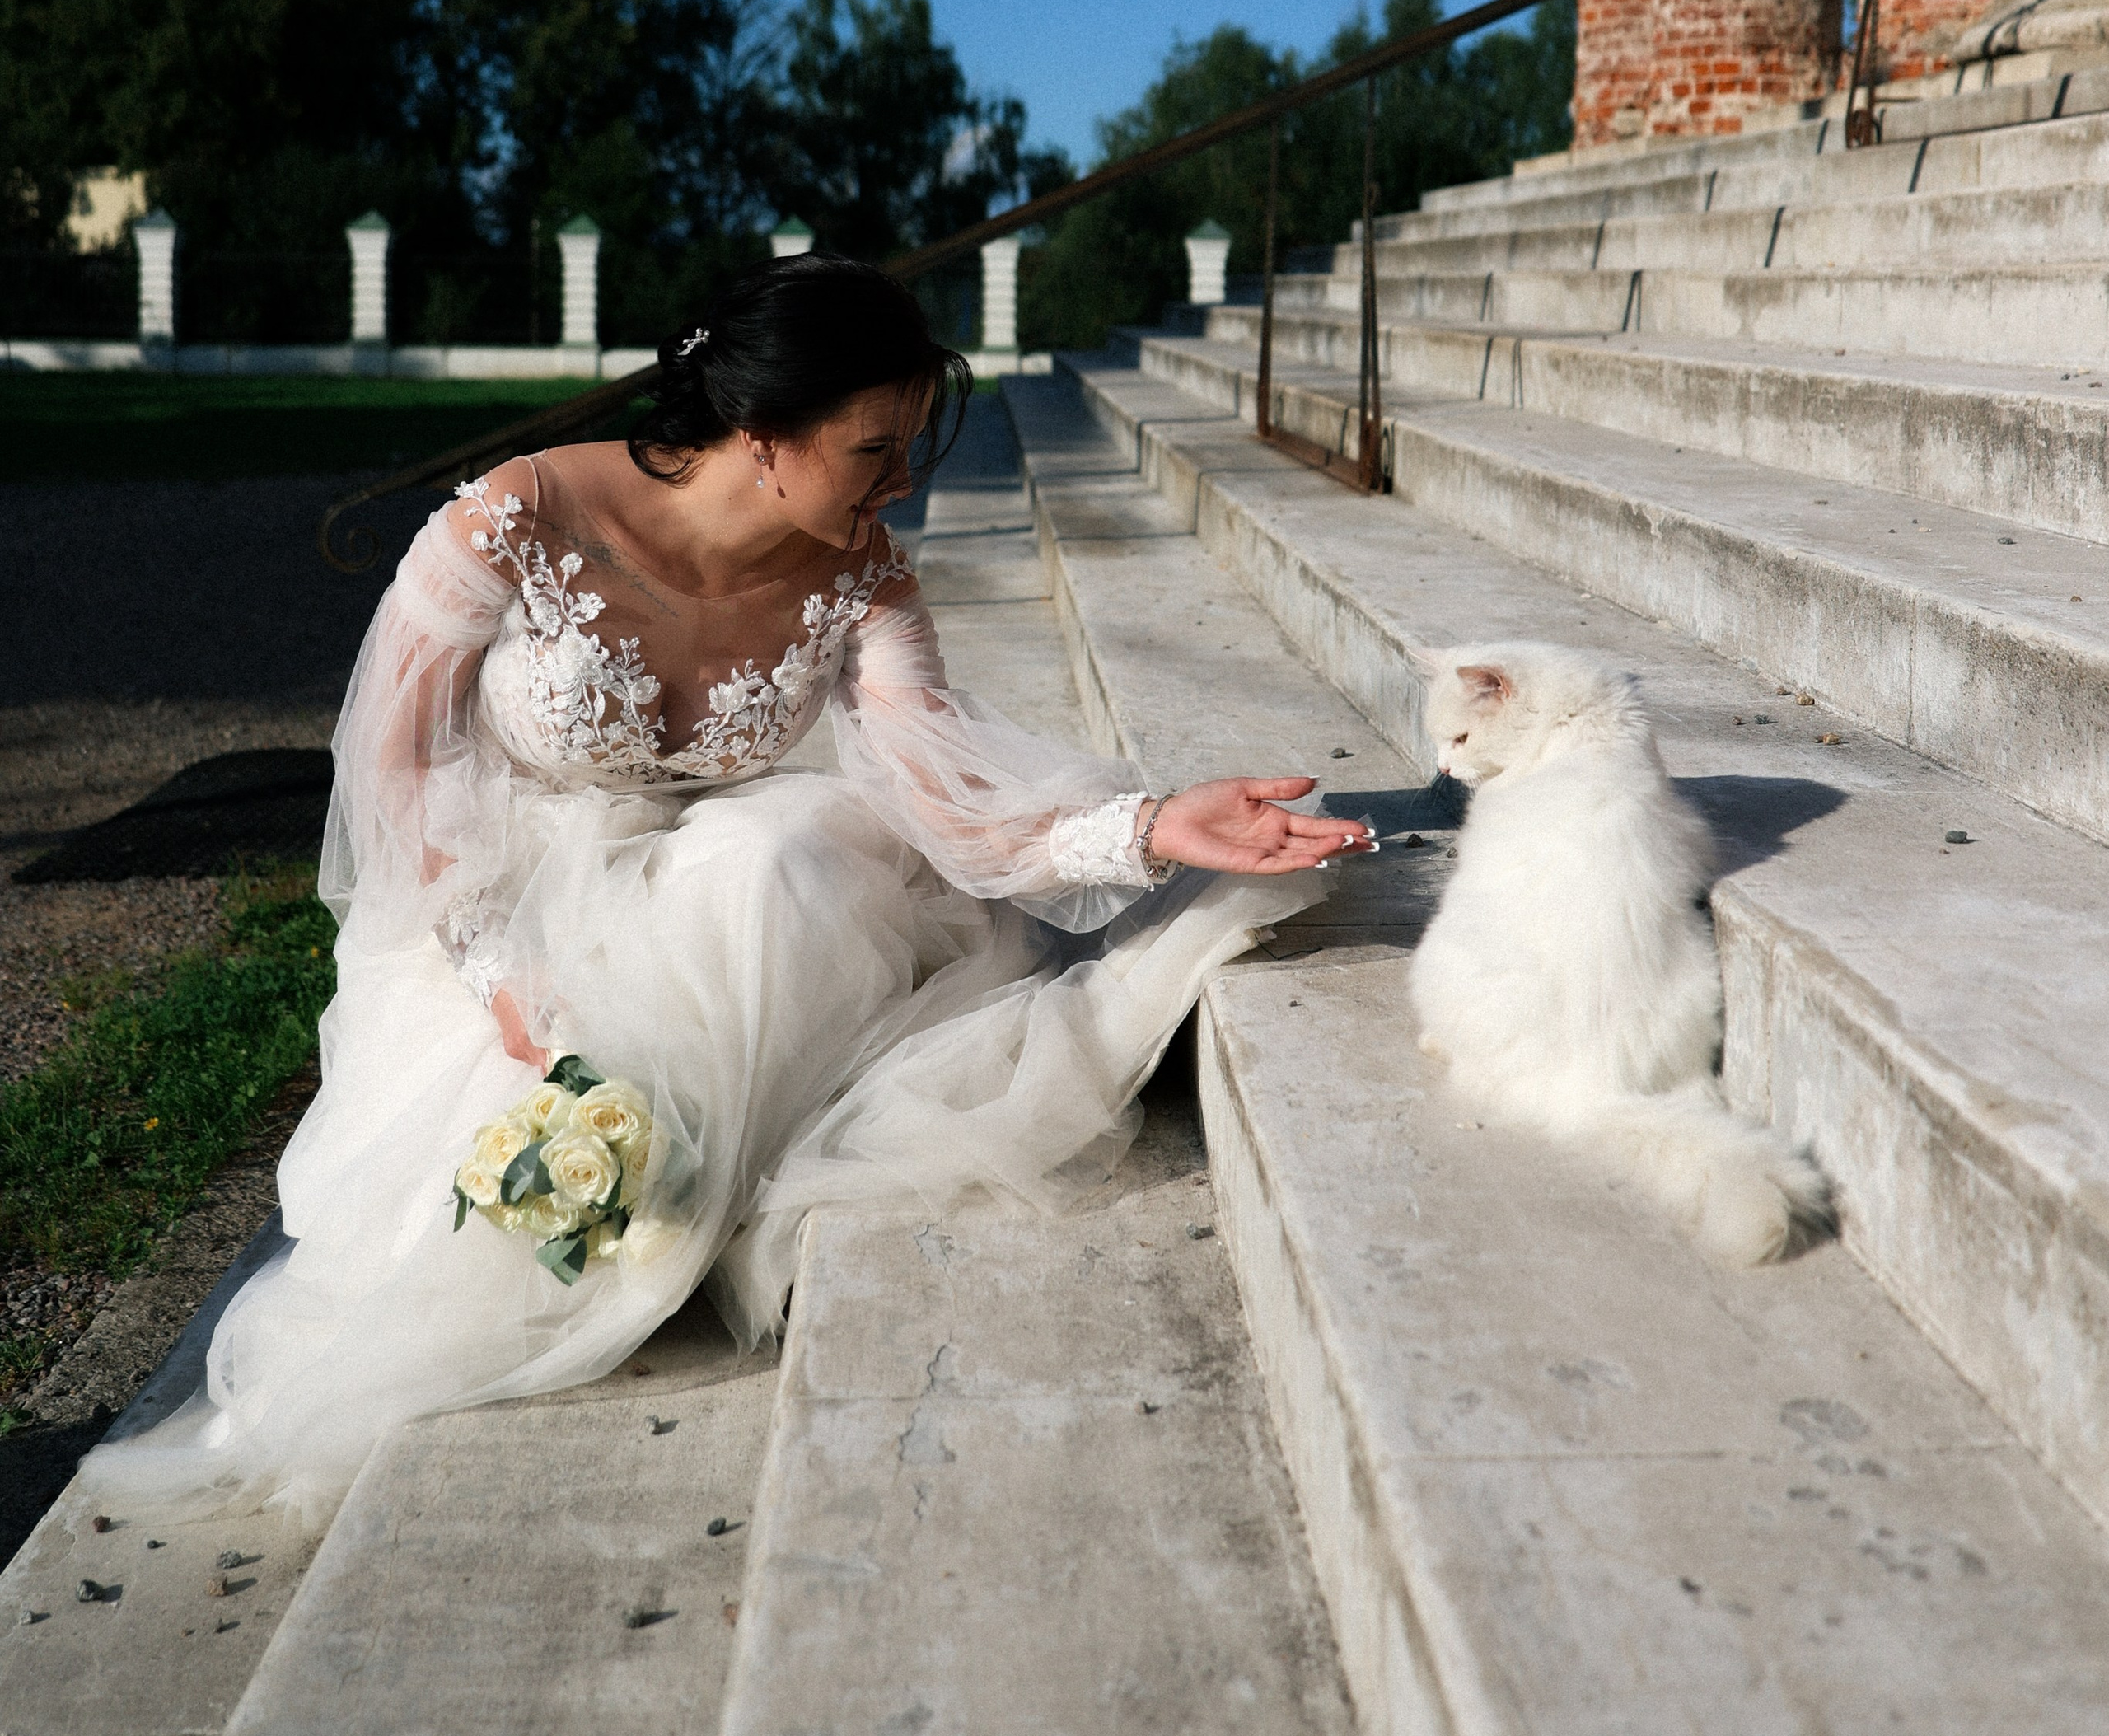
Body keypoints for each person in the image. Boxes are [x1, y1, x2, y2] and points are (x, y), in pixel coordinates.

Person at [85, 255, 1367, 1526]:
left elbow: (943, 791)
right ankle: (660, 1185)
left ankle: (704, 1177)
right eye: (877, 448)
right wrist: (499, 972)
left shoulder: (863, 577)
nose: (905, 481)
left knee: (780, 854)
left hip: (708, 893)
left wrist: (1151, 826)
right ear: (762, 438)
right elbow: (399, 763)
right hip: (490, 899)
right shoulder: (517, 518)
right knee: (480, 1244)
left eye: (914, 442)